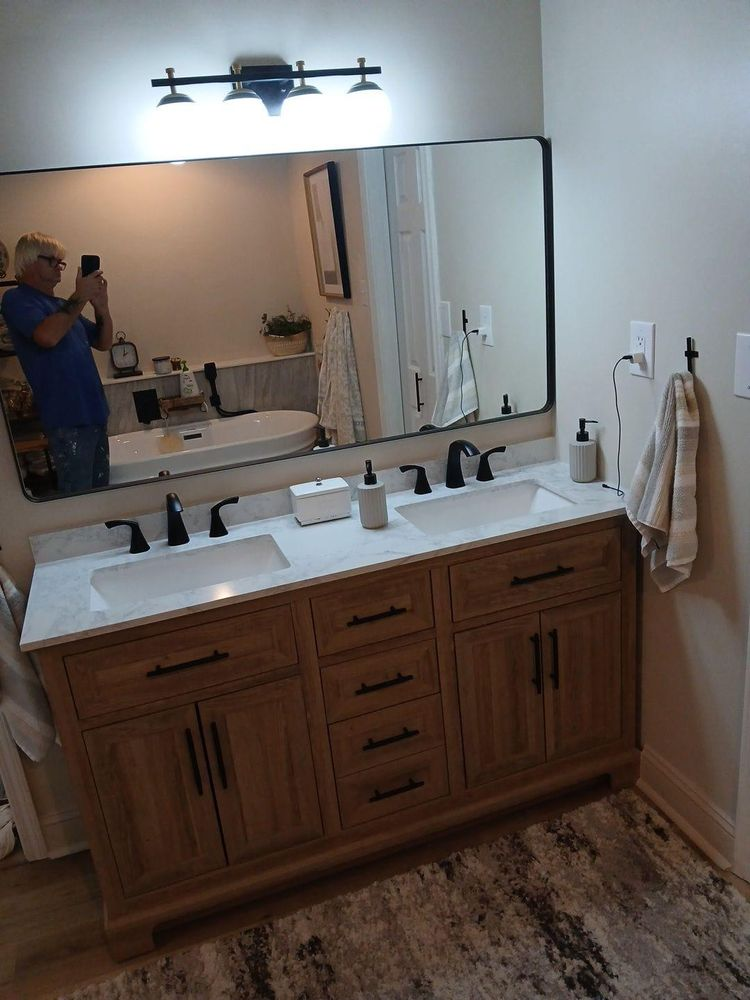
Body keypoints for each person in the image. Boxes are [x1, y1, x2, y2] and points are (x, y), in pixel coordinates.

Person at [0, 232, 113, 493]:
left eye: (61, 263)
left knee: (99, 495)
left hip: (95, 413)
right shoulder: (16, 299)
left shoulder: (63, 305)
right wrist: (79, 296)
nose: (59, 268)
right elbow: (47, 337)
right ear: (28, 261)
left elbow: (104, 342)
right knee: (78, 501)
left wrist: (102, 308)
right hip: (66, 418)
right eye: (52, 261)